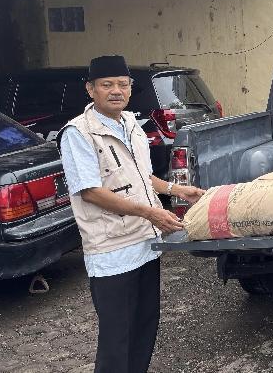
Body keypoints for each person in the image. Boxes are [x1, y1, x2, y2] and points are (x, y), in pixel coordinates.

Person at [58, 55, 205, 373]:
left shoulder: (131, 125)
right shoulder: (79, 134)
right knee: (116, 341)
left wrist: (176, 190)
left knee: (144, 328)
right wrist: (152, 213)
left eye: (122, 84)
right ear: (90, 89)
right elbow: (91, 191)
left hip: (143, 246)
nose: (116, 91)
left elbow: (140, 175)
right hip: (111, 251)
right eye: (106, 85)